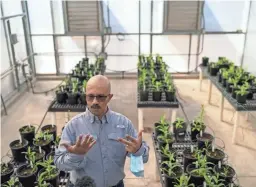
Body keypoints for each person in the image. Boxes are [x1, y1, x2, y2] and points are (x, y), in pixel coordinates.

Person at [54, 75, 149, 187]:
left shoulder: (123, 124)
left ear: (109, 97)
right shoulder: (73, 126)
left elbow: (144, 157)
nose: (95, 101)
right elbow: (59, 163)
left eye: (100, 97)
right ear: (85, 97)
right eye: (90, 96)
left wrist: (137, 150)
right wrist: (76, 155)